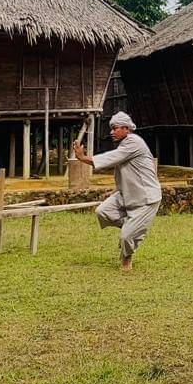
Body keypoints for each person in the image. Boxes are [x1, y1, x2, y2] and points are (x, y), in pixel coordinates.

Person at [72, 111, 161, 272]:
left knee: (126, 237)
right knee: (102, 211)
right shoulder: (126, 145)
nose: (111, 132)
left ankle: (126, 260)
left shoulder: (133, 142)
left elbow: (111, 158)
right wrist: (116, 190)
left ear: (126, 129)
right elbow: (130, 173)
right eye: (111, 128)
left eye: (115, 128)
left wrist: (84, 158)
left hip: (146, 198)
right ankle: (132, 228)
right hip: (126, 194)